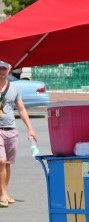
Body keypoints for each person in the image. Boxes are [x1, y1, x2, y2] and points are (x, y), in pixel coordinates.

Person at [0, 61, 37, 208]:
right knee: (1, 161)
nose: (1, 71)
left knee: (7, 163)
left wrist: (30, 129)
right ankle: (3, 195)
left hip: (11, 130)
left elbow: (21, 109)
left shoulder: (14, 88)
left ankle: (5, 192)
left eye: (4, 69)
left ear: (9, 70)